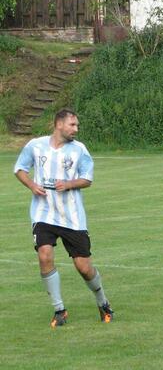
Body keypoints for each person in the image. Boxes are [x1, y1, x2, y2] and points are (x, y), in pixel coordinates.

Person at [14, 108, 113, 328]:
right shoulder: (35, 145)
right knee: (44, 255)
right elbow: (20, 169)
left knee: (84, 267)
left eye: (77, 125)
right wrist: (32, 185)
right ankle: (59, 310)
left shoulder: (79, 150)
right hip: (43, 213)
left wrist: (69, 184)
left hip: (72, 217)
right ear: (59, 124)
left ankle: (103, 302)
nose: (76, 129)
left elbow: (87, 178)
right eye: (72, 125)